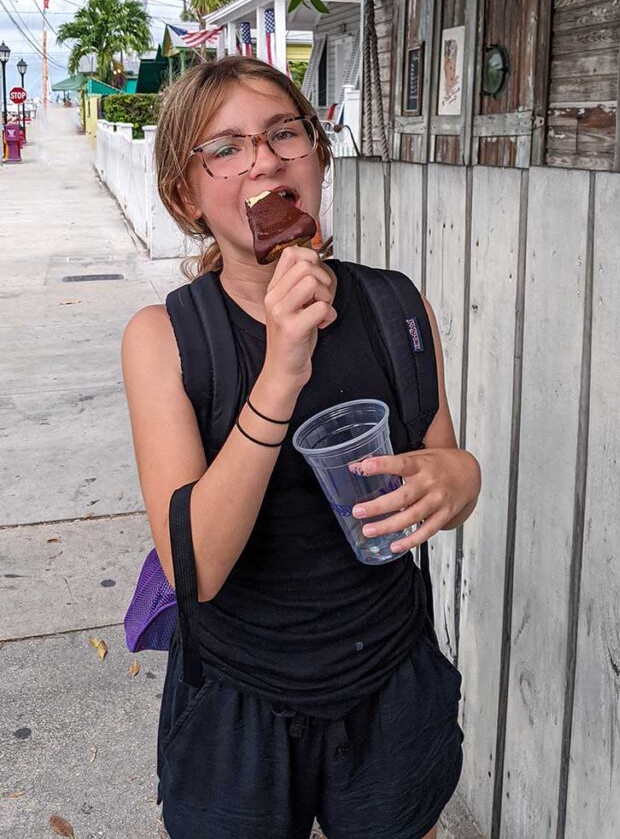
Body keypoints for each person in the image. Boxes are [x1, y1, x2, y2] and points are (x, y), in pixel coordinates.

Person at [121, 55, 481, 839]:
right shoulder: (167, 340)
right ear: (185, 196)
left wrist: (460, 477)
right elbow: (196, 570)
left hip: (390, 674)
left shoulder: (395, 305)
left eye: (285, 132)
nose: (263, 157)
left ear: (316, 155)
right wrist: (282, 368)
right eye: (224, 147)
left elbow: (441, 466)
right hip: (236, 697)